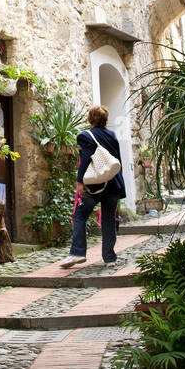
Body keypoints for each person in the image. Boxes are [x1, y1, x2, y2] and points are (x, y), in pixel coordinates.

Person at [59, 104, 125, 268]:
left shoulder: (85, 136)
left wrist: (80, 182)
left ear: (90, 119)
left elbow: (86, 160)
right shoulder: (112, 135)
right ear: (105, 120)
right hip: (113, 184)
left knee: (80, 215)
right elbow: (116, 160)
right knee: (109, 219)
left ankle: (77, 253)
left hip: (94, 186)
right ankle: (109, 258)